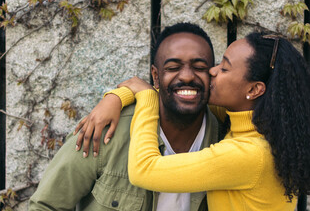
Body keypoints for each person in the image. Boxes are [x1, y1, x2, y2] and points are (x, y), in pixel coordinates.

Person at [86, 32, 310, 210]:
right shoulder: (254, 125)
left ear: (254, 90)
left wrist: (145, 99)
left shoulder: (248, 154)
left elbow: (144, 170)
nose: (212, 71)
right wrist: (116, 97)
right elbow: (179, 97)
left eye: (225, 68)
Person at [29, 23, 221, 211]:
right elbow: (46, 205)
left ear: (213, 74)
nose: (187, 76)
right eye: (173, 67)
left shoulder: (226, 138)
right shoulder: (105, 132)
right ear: (155, 76)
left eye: (199, 67)